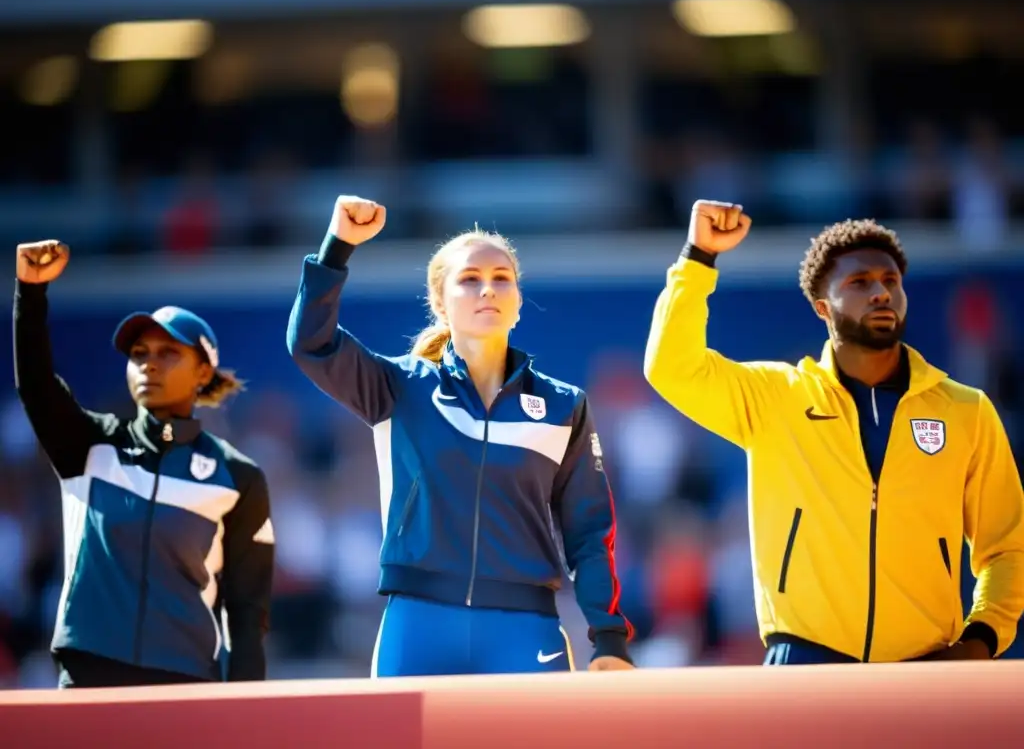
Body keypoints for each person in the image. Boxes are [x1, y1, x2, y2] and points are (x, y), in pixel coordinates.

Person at [643, 200, 1024, 665]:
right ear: (823, 307)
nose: (881, 293)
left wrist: (981, 639)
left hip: (928, 668)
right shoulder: (775, 398)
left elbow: (1007, 549)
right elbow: (671, 367)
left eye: (890, 282)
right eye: (859, 283)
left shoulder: (966, 411)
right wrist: (698, 259)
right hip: (804, 664)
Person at [287, 195, 634, 676]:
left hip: (526, 630)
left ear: (517, 303)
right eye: (469, 280)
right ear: (440, 303)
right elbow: (311, 343)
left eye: (501, 280)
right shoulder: (398, 386)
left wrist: (608, 637)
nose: (487, 291)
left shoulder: (563, 406)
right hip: (416, 623)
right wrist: (337, 247)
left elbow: (590, 534)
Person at [13, 240, 274, 688]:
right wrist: (30, 294)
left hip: (187, 683)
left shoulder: (239, 477)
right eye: (139, 355)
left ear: (202, 373)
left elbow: (247, 611)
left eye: (168, 353)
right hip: (88, 676)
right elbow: (36, 385)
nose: (149, 365)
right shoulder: (88, 444)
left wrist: (246, 706)